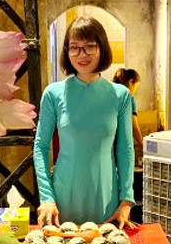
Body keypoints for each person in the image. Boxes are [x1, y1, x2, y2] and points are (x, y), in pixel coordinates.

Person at [34, 16, 135, 229]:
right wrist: (47, 197)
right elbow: (41, 147)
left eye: (90, 46)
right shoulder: (53, 93)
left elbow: (125, 149)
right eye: (74, 47)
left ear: (102, 48)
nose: (82, 54)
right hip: (63, 198)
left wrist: (126, 199)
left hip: (107, 197)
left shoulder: (121, 95)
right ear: (66, 51)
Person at [112, 68, 144, 155]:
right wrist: (142, 144)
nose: (135, 91)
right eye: (136, 87)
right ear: (131, 82)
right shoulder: (129, 98)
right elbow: (134, 126)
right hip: (121, 145)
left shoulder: (109, 92)